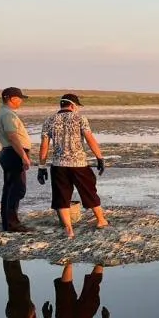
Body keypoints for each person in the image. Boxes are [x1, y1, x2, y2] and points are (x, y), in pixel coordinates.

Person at [36, 93, 108, 238]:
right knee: (89, 191)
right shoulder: (80, 118)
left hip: (58, 165)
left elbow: (44, 145)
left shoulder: (49, 120)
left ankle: (69, 229)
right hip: (79, 164)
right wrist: (99, 157)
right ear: (72, 105)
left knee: (61, 197)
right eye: (77, 106)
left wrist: (41, 166)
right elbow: (90, 139)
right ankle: (101, 220)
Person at [0, 86, 33, 232]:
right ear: (12, 98)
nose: (21, 101)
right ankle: (12, 223)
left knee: (10, 188)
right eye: (20, 98)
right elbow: (12, 136)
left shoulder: (4, 112)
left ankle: (8, 222)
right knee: (17, 188)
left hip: (10, 153)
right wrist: (23, 156)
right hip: (13, 154)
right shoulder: (7, 115)